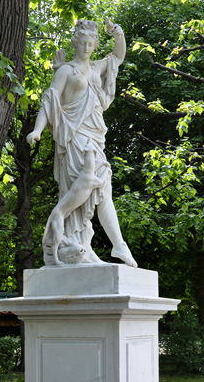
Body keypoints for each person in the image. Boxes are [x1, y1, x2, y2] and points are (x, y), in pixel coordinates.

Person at [27, 18, 137, 267]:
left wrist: (117, 34)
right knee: (81, 192)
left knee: (103, 189)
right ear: (75, 43)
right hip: (74, 138)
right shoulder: (66, 71)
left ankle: (112, 245)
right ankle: (79, 245)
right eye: (82, 43)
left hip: (95, 137)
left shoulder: (97, 67)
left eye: (90, 43)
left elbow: (117, 57)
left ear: (95, 44)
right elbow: (50, 100)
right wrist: (37, 130)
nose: (86, 48)